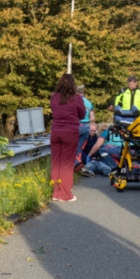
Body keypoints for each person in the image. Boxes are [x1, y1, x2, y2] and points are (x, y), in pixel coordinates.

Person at [50, 73, 86, 202]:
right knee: (66, 163)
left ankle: (56, 192)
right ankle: (65, 194)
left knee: (56, 162)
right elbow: (82, 114)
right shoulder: (76, 98)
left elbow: (53, 111)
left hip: (55, 132)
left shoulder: (54, 97)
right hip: (70, 132)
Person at [75, 85, 95, 168]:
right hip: (86, 126)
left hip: (76, 125)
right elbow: (92, 118)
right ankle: (77, 163)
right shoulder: (89, 103)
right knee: (80, 147)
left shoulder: (74, 101)